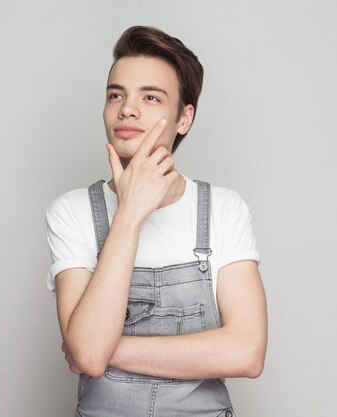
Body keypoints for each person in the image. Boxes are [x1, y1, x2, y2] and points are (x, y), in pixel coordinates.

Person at [45, 26, 267, 417]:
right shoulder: (72, 211)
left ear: (184, 118)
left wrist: (108, 347)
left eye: (150, 97)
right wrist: (129, 214)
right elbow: (87, 355)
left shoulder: (223, 209)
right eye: (116, 95)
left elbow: (247, 352)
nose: (127, 109)